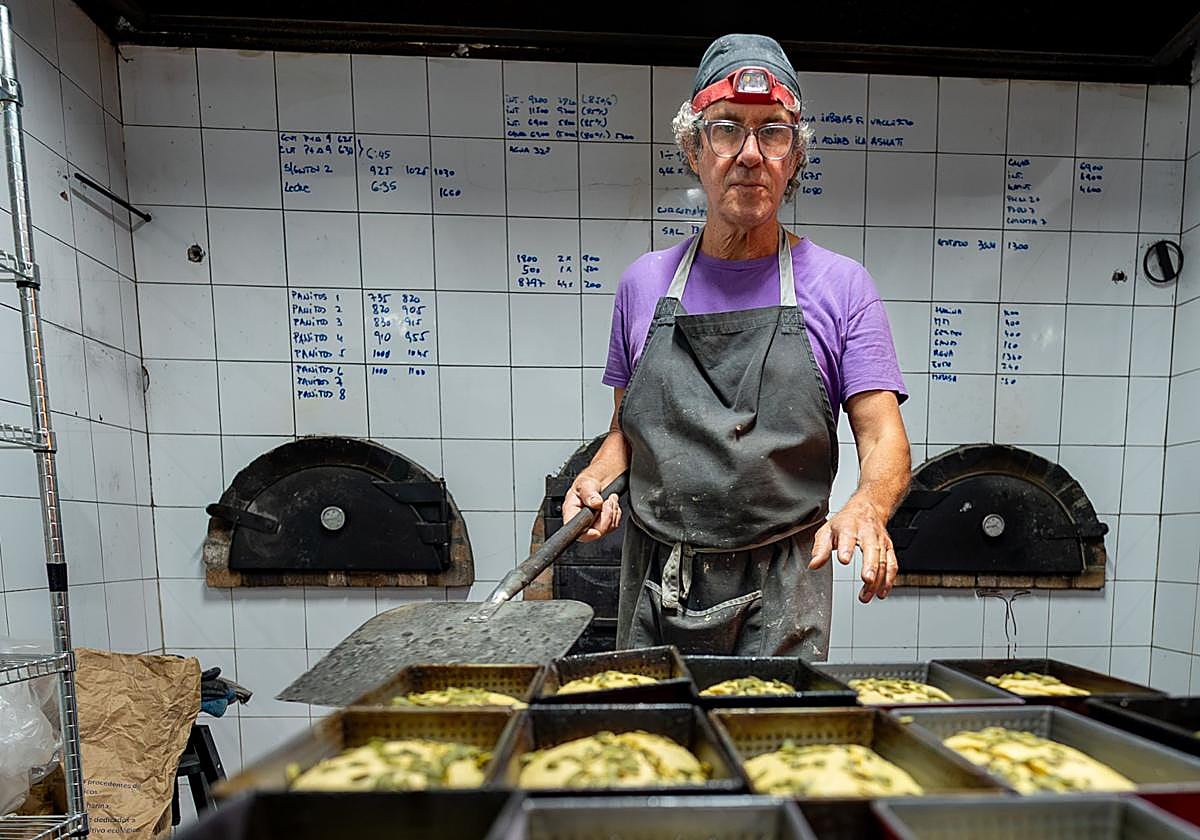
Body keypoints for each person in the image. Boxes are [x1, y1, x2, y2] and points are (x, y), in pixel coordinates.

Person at [562, 33, 911, 658]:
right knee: (649, 749)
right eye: (727, 130)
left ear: (794, 158)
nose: (750, 153)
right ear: (694, 149)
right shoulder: (642, 284)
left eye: (773, 132)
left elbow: (883, 436)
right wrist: (591, 478)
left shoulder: (841, 285)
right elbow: (625, 430)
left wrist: (870, 502)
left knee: (767, 748)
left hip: (783, 583)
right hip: (653, 579)